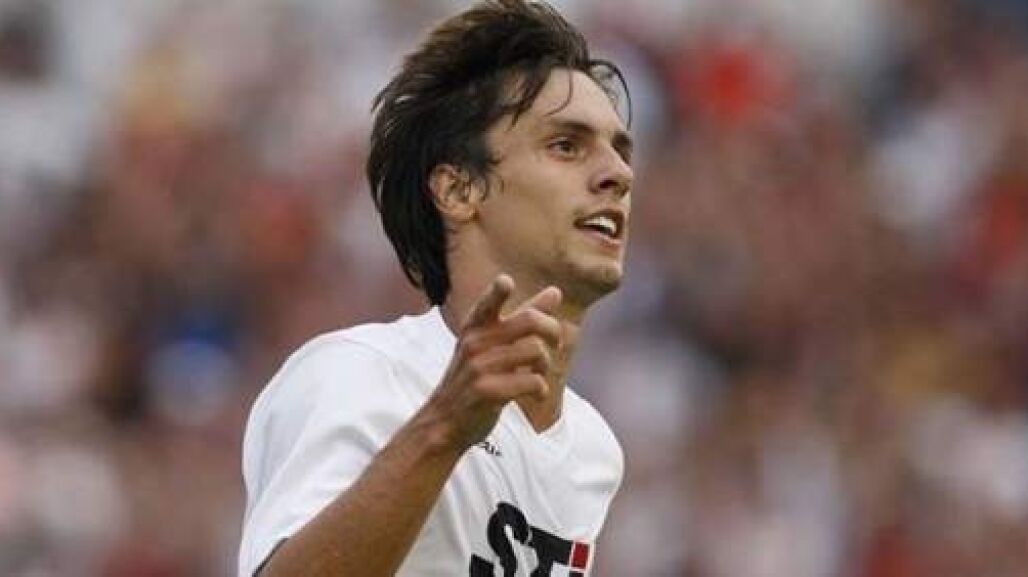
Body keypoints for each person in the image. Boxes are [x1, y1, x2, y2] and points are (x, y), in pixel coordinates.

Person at [237, 1, 634, 575]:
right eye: (566, 146)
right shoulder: (357, 376)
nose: (618, 173)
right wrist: (444, 427)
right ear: (458, 190)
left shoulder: (593, 452)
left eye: (621, 150)